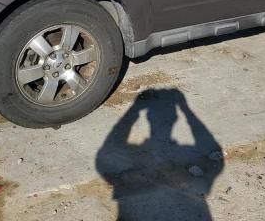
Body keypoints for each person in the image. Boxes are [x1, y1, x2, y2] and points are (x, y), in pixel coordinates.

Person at [96, 88, 224, 220]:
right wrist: (186, 110)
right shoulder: (184, 153)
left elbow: (106, 152)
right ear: (174, 119)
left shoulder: (134, 156)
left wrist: (134, 109)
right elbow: (213, 148)